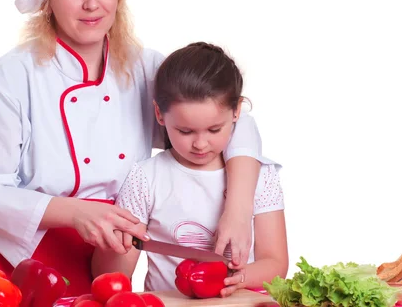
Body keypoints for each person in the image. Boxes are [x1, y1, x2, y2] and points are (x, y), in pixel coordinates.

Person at [0, 0, 266, 296]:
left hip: (113, 252)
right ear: (49, 0)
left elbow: (232, 118)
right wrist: (76, 212)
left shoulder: (145, 68)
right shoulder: (6, 81)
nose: (91, 3)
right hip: (23, 259)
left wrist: (238, 209)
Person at [92, 42, 289, 297]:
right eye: (185, 131)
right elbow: (111, 276)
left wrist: (235, 279)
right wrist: (116, 244)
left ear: (237, 111)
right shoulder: (146, 177)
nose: (200, 144)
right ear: (160, 115)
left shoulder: (260, 176)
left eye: (214, 129)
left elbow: (275, 264)